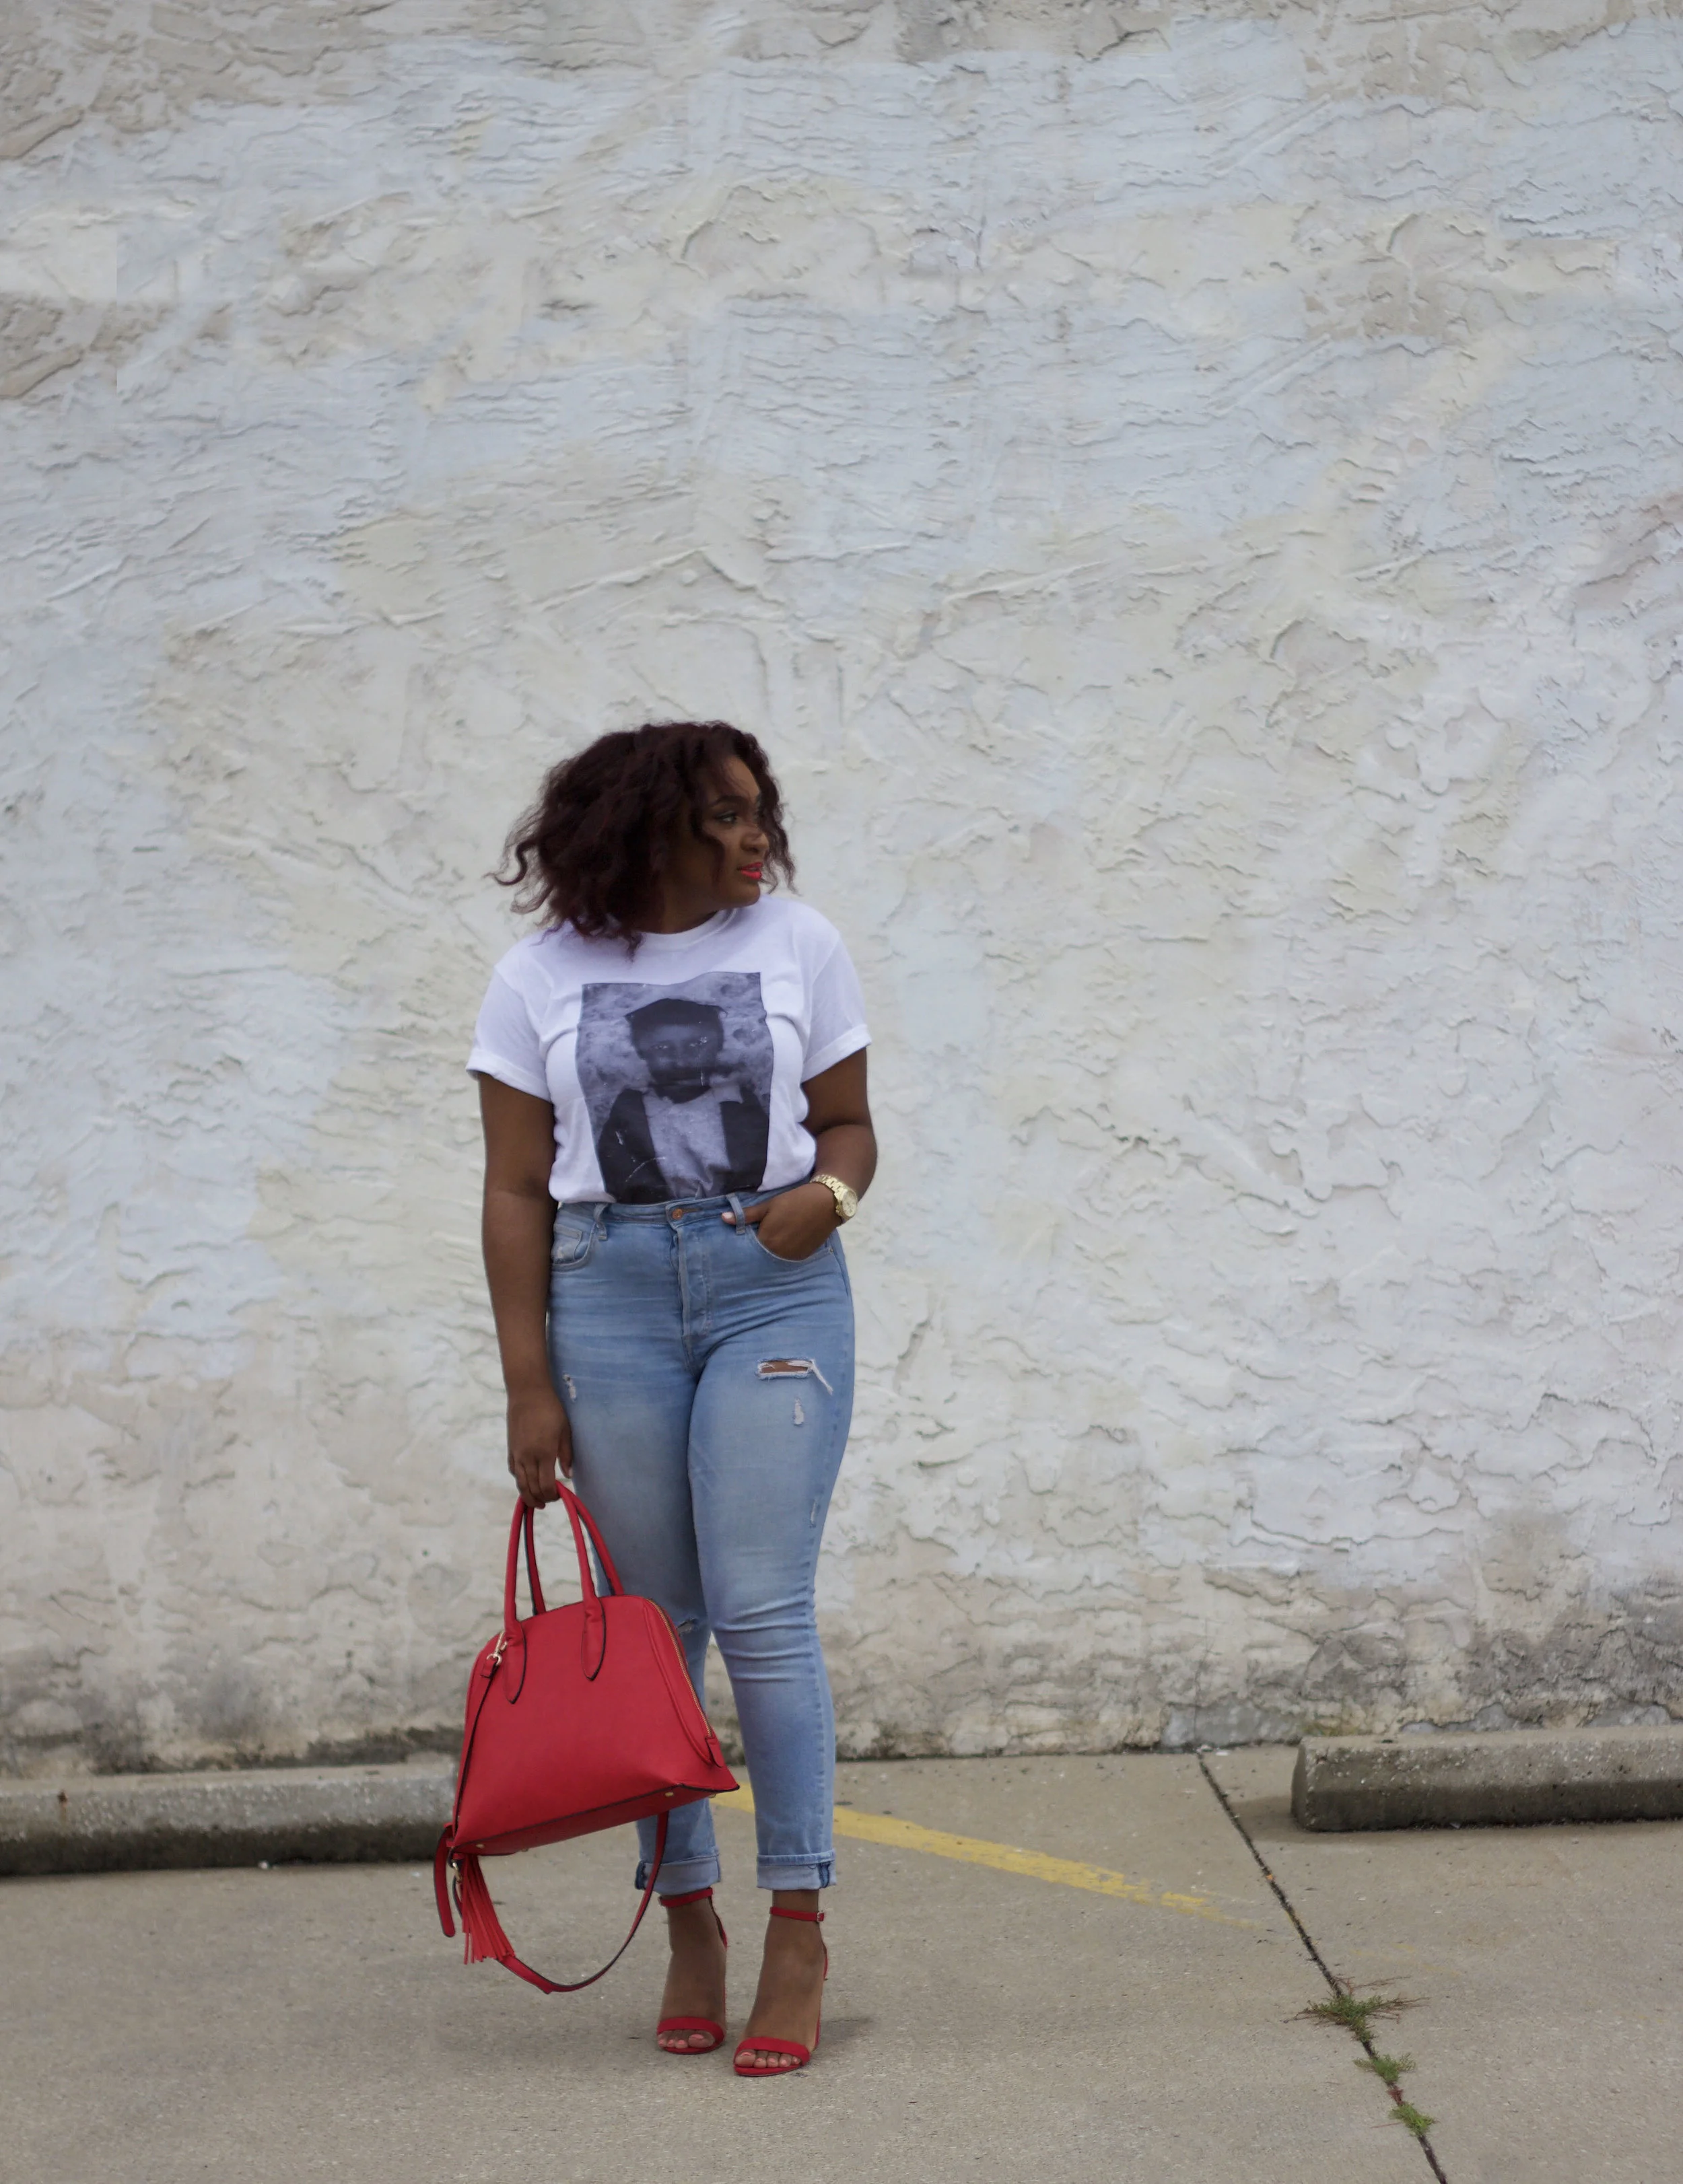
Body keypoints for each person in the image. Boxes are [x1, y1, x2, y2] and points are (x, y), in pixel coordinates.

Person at [468, 719, 876, 2077]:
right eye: (722, 815)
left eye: (759, 811)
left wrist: (815, 1210)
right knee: (651, 1631)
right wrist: (528, 1383)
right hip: (609, 1298)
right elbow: (517, 1187)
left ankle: (797, 1926)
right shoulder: (537, 975)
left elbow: (851, 1129)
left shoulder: (797, 944)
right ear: (644, 825)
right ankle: (688, 1922)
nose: (754, 836)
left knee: (759, 1608)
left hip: (771, 1288)